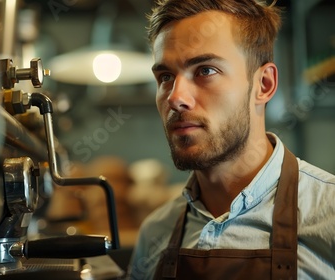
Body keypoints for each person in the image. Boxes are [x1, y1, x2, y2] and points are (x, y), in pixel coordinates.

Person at [128, 0, 335, 279]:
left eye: (205, 70)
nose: (175, 98)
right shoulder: (155, 232)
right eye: (166, 76)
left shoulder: (329, 213)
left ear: (264, 85)